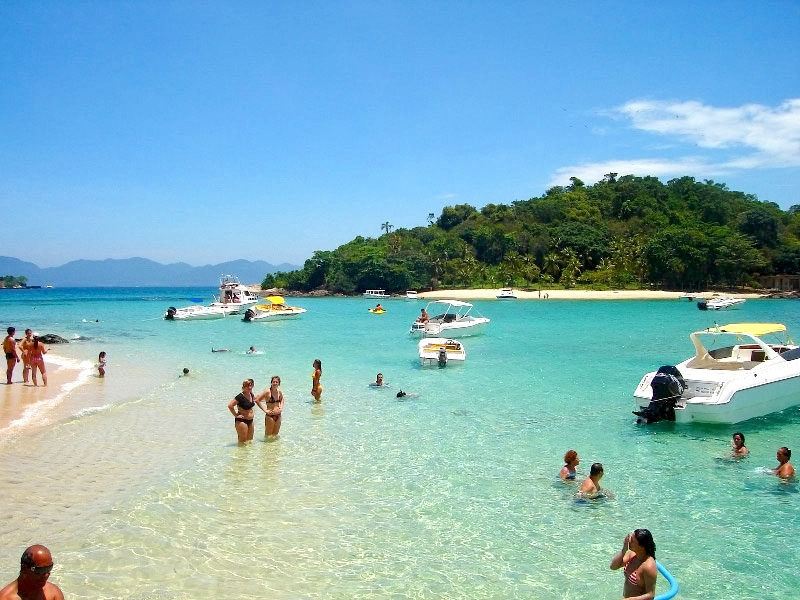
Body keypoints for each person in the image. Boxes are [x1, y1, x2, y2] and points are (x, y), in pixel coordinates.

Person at [0, 544, 64, 599]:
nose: (46, 575)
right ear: (25, 568)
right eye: (41, 570)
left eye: (49, 568)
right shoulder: (5, 598)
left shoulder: (53, 594)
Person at [610, 529, 658, 599]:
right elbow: (613, 567)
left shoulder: (648, 567)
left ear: (641, 547)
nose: (629, 541)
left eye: (632, 540)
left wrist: (630, 599)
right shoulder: (632, 555)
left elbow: (650, 594)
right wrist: (624, 549)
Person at [227, 378, 266, 443]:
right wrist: (236, 415)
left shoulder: (251, 394)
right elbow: (230, 405)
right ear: (244, 386)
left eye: (251, 385)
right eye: (248, 385)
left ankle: (248, 453)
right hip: (242, 421)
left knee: (249, 441)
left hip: (250, 421)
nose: (250, 387)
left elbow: (255, 399)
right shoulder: (240, 396)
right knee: (242, 443)